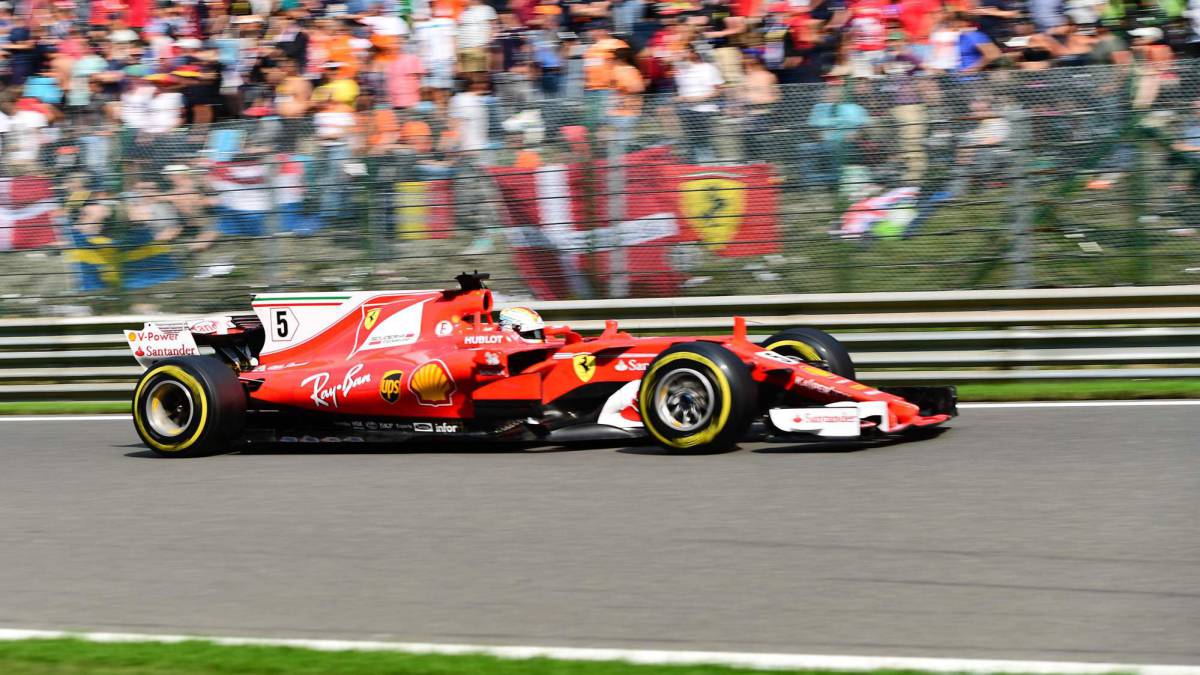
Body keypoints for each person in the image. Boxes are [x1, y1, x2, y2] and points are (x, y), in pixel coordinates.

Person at [674, 43, 723, 163]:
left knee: (703, 140)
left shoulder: (708, 68)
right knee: (691, 140)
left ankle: (707, 165)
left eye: (684, 51)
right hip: (686, 110)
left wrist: (698, 98)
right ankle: (695, 165)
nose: (681, 54)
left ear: (693, 53)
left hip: (704, 110)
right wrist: (680, 98)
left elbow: (719, 90)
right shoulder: (681, 69)